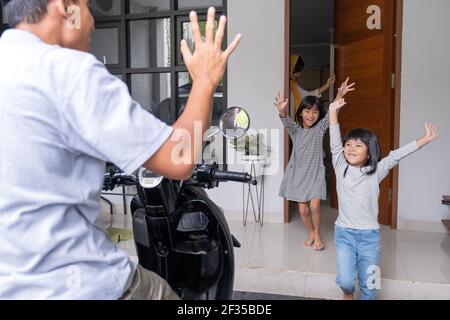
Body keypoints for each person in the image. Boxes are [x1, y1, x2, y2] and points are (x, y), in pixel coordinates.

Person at [0, 0, 241, 300]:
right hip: (78, 285)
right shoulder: (69, 71)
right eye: (88, 7)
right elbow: (179, 158)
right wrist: (204, 82)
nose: (93, 22)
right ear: (66, 7)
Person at [329, 92, 439, 300]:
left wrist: (424, 139)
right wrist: (333, 111)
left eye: (358, 145)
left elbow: (396, 155)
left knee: (370, 287)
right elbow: (334, 142)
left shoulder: (375, 171)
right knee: (345, 282)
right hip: (344, 234)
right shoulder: (339, 166)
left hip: (370, 237)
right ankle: (348, 294)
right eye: (349, 144)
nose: (351, 148)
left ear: (369, 152)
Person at [274, 79, 354, 251]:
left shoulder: (319, 130)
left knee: (315, 205)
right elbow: (285, 121)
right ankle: (310, 232)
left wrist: (340, 94)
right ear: (301, 113)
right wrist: (281, 111)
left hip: (316, 172)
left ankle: (317, 233)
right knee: (303, 211)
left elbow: (333, 111)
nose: (311, 115)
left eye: (316, 112)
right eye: (307, 111)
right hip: (298, 174)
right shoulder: (296, 131)